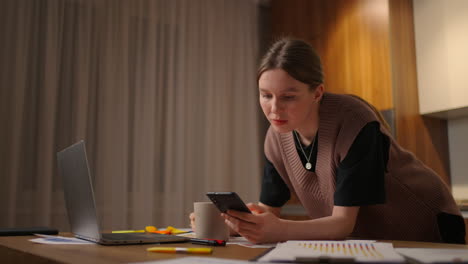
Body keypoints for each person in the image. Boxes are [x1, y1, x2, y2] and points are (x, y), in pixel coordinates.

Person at [190, 38, 465, 244]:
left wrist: (279, 229)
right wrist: (235, 223)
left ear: (317, 92)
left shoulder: (354, 121)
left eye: (288, 96)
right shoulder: (276, 138)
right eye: (265, 95)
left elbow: (343, 223)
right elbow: (269, 208)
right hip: (371, 242)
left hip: (427, 224)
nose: (274, 109)